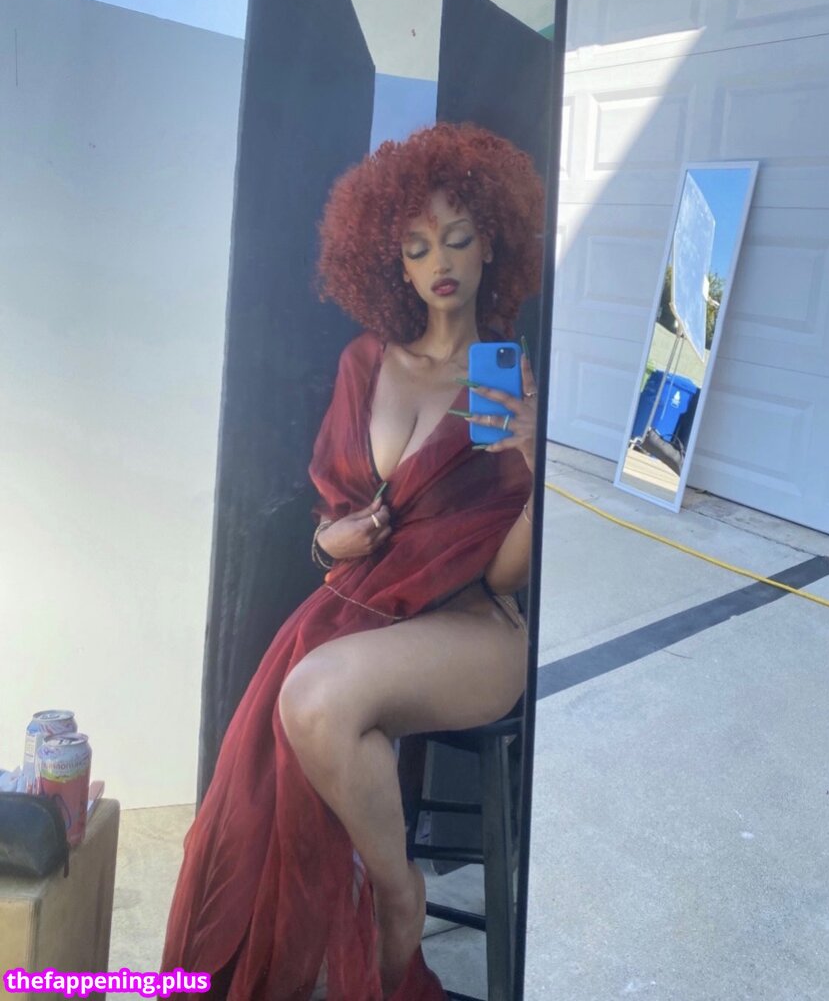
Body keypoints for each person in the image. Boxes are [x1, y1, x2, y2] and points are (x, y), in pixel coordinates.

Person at [161, 122, 544, 1000]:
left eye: (458, 237)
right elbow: (333, 522)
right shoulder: (364, 362)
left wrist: (536, 468)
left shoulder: (507, 378)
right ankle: (362, 912)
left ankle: (395, 894)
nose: (439, 261)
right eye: (416, 246)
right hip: (362, 606)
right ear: (391, 263)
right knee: (289, 731)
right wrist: (324, 542)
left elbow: (503, 574)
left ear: (491, 243)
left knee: (313, 699)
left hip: (472, 625)